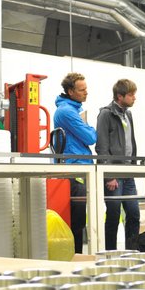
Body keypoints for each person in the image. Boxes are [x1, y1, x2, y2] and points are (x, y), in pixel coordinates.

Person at [53, 73, 96, 253]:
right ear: (71, 92)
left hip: (77, 167)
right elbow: (91, 137)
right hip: (74, 169)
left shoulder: (71, 110)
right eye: (82, 89)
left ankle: (75, 256)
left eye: (86, 88)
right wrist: (90, 128)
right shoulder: (67, 112)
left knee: (78, 220)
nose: (86, 92)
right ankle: (75, 258)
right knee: (76, 222)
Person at [95, 79, 140, 250]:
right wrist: (109, 176)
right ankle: (110, 253)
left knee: (134, 214)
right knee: (113, 216)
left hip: (128, 173)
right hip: (113, 174)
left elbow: (131, 142)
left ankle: (132, 252)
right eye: (131, 95)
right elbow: (102, 146)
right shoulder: (106, 114)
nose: (134, 98)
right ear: (120, 96)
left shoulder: (128, 114)